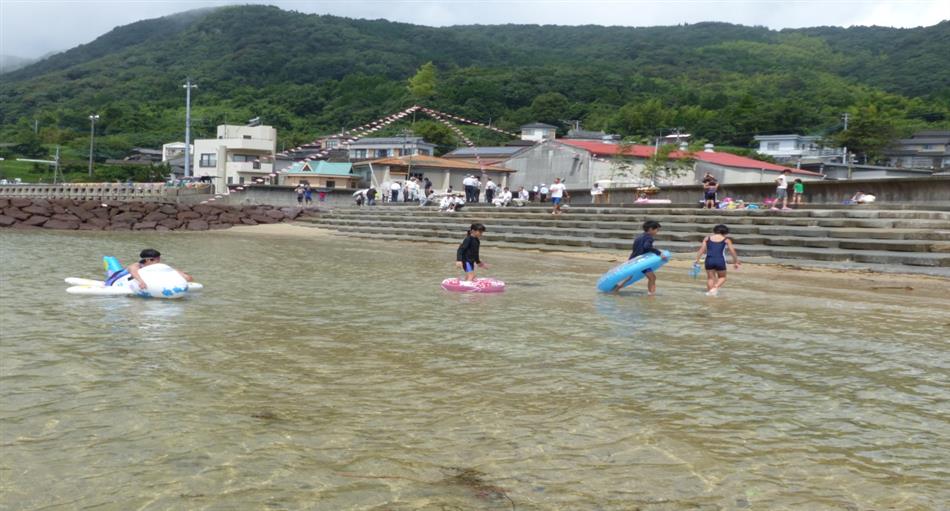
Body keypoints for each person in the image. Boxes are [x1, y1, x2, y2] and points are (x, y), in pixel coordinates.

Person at [612, 220, 667, 295]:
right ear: (651, 229)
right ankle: (651, 295)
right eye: (657, 229)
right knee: (652, 277)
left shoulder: (639, 237)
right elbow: (647, 246)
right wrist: (659, 253)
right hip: (642, 262)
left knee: (629, 276)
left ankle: (615, 290)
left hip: (633, 259)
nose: (657, 231)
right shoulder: (649, 238)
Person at [106, 249, 193, 289]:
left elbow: (188, 278)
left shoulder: (158, 268)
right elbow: (134, 273)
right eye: (156, 259)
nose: (159, 261)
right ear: (147, 260)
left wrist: (184, 276)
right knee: (114, 270)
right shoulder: (136, 266)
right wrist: (141, 282)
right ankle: (109, 260)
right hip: (114, 280)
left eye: (159, 258)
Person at [694, 224, 740, 297]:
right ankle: (715, 288)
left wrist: (697, 260)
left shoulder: (707, 238)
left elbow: (702, 250)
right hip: (720, 260)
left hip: (709, 260)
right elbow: (732, 251)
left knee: (710, 278)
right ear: (725, 232)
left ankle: (710, 294)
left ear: (714, 231)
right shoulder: (726, 240)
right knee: (722, 277)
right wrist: (736, 261)